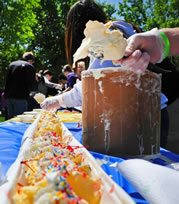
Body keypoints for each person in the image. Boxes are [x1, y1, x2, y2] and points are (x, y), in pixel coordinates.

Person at [41, 0, 170, 147]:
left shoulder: (105, 37)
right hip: (150, 112)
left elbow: (94, 85)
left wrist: (59, 101)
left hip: (142, 119)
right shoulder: (118, 30)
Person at [4, 52, 37, 119]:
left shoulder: (11, 64)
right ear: (31, 60)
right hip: (21, 97)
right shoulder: (29, 66)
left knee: (10, 120)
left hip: (9, 96)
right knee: (19, 120)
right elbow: (32, 83)